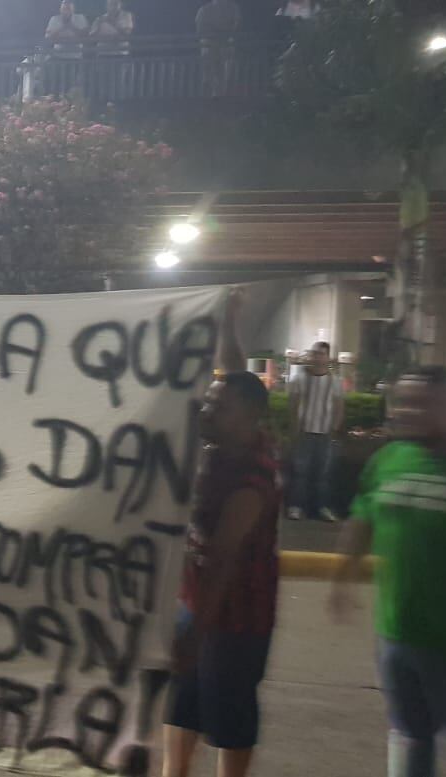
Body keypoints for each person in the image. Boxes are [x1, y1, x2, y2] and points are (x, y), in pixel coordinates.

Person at [331, 366, 446, 777]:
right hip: (397, 635)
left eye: (421, 404)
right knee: (411, 737)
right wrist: (342, 578)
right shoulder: (387, 459)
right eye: (401, 402)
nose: (406, 412)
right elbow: (362, 519)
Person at [164, 291, 279, 777]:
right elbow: (233, 374)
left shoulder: (250, 480)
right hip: (198, 605)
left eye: (219, 408)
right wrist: (230, 321)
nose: (207, 411)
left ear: (248, 419)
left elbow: (223, 560)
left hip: (234, 619)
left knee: (229, 716)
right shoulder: (226, 441)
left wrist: (195, 631)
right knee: (182, 707)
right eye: (209, 403)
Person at [287, 342, 345, 521]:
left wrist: (335, 428)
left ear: (328, 357)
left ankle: (322, 507)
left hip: (325, 434)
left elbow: (338, 406)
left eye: (321, 354)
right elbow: (293, 405)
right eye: (314, 353)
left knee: (324, 475)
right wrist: (294, 429)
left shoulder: (335, 381)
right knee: (300, 473)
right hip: (304, 432)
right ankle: (297, 507)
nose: (316, 357)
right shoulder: (298, 379)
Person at [196, 0, 241, 96]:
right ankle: (211, 86)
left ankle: (221, 91)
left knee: (226, 61)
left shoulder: (233, 8)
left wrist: (225, 35)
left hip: (226, 44)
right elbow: (200, 29)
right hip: (210, 44)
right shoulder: (204, 10)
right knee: (209, 58)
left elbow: (236, 26)